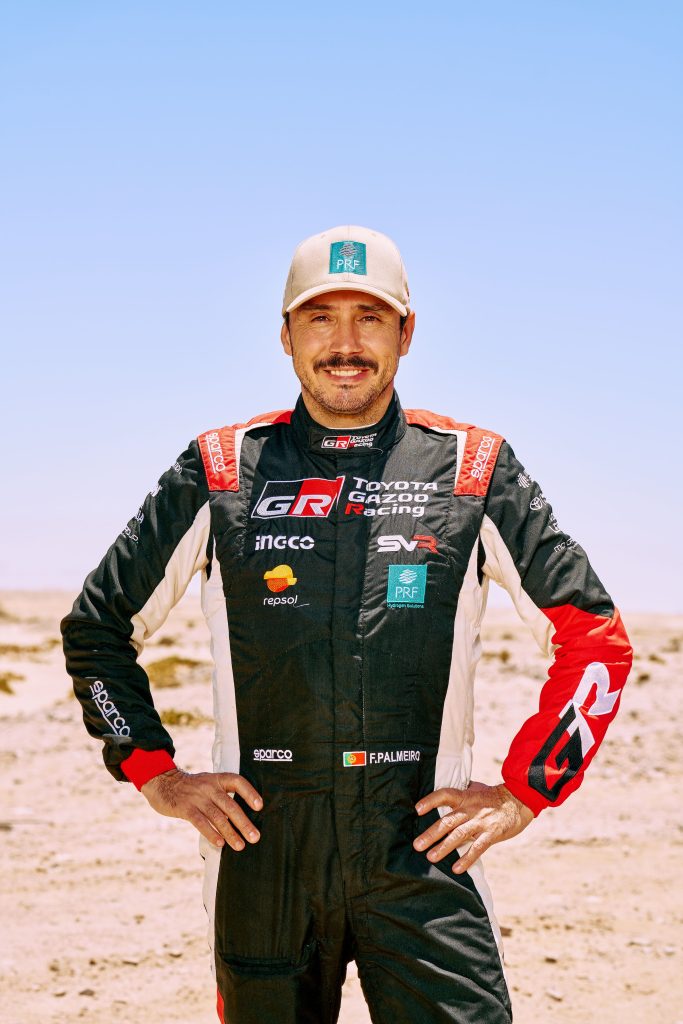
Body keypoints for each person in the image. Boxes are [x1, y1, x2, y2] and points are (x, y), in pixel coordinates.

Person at [61, 225, 632, 1024]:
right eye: (319, 317)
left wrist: (524, 791)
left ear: (405, 332)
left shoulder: (472, 468)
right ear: (285, 334)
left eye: (369, 317)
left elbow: (595, 638)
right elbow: (96, 627)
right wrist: (156, 772)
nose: (345, 344)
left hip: (422, 851)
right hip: (261, 853)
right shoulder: (219, 467)